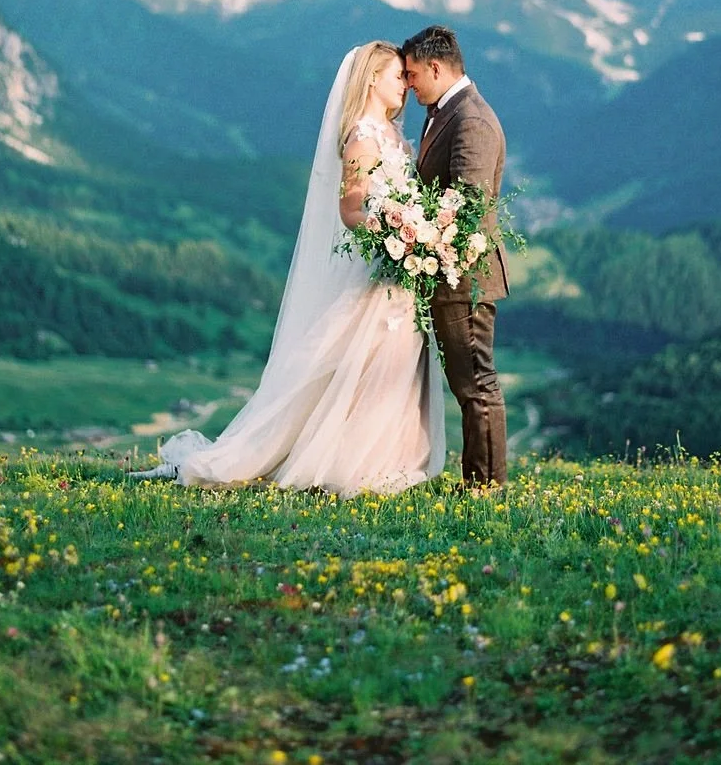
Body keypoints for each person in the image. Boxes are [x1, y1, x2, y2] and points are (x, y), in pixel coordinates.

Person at [132, 41, 446, 497]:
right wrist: (395, 231)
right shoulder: (362, 136)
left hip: (403, 274)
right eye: (397, 74)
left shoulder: (396, 136)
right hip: (384, 265)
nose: (406, 82)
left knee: (390, 370)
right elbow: (351, 206)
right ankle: (320, 461)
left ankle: (387, 461)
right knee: (348, 368)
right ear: (372, 79)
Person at [402, 25, 510, 489]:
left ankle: (486, 488)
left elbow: (466, 207)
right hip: (448, 276)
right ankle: (479, 482)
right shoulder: (445, 111)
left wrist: (413, 234)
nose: (408, 84)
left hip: (464, 277)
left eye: (411, 74)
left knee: (477, 385)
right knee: (466, 383)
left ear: (436, 67)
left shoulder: (471, 120)